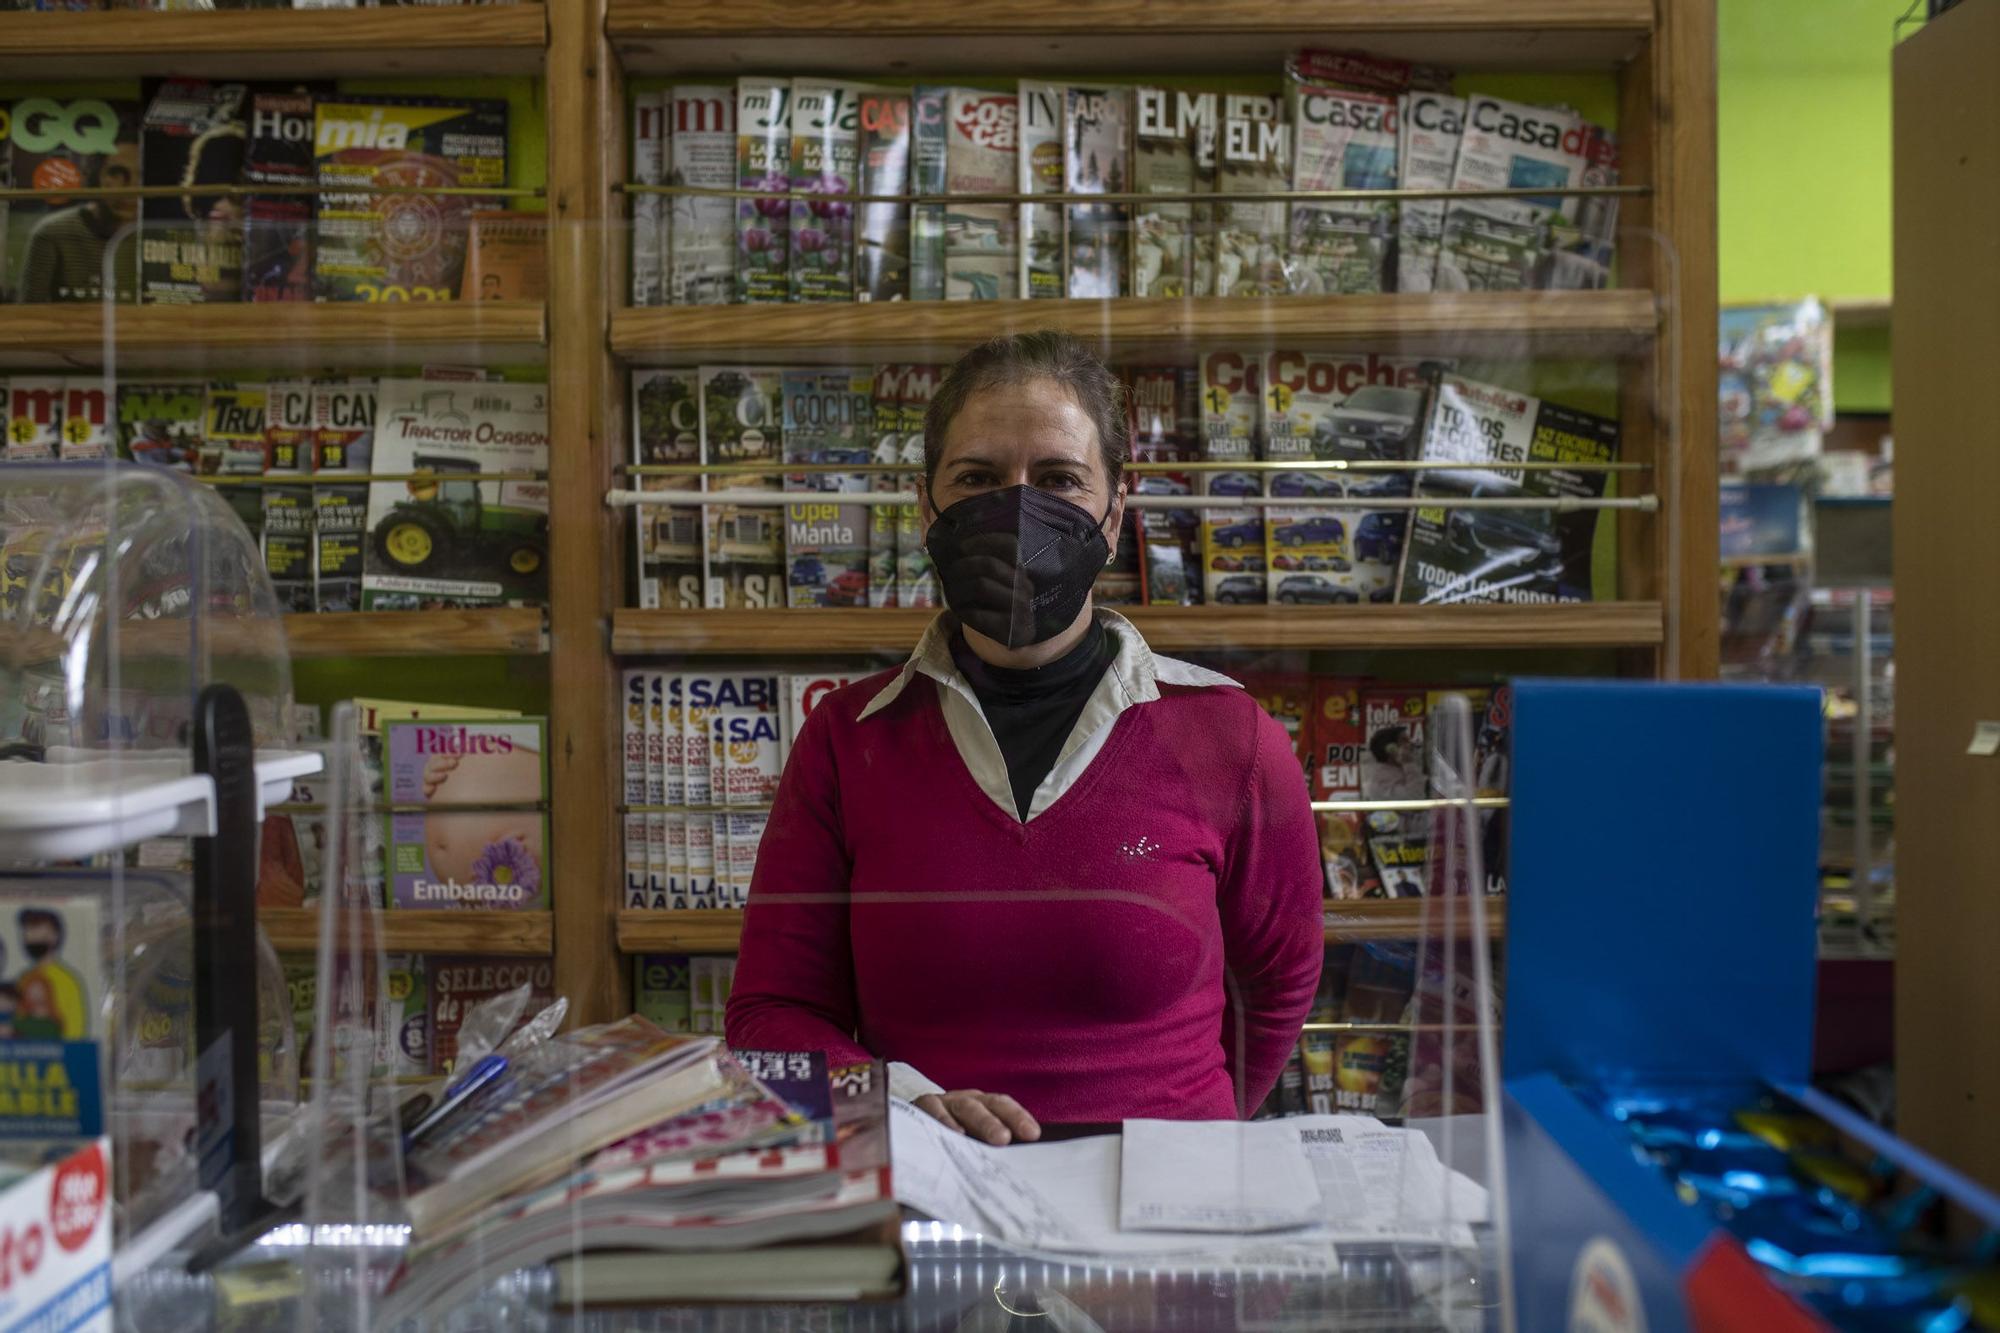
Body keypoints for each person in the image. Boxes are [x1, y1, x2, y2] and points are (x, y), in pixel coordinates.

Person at [726, 331, 1324, 1145]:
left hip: (1170, 1220)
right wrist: (898, 1101)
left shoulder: (1233, 740)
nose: (1015, 507)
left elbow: (1279, 985)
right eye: (977, 478)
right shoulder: (846, 739)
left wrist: (1187, 1133)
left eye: (1058, 480)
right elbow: (773, 1011)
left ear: (1116, 510)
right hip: (940, 1205)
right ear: (926, 505)